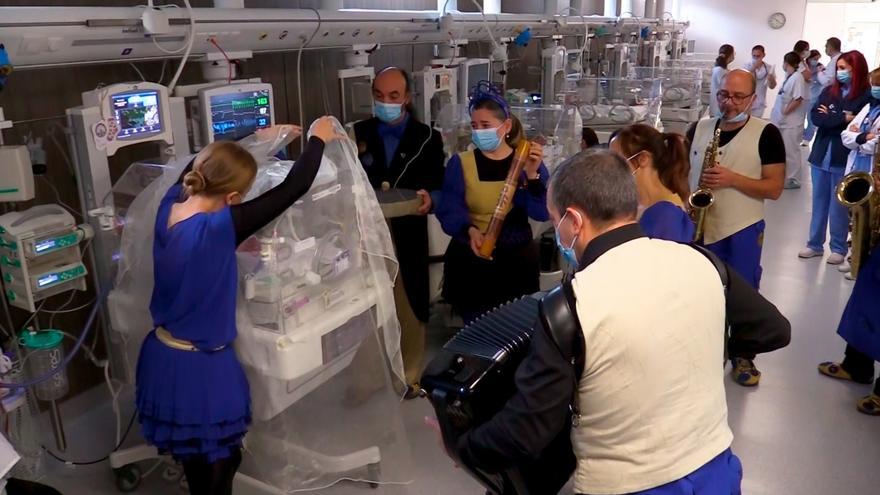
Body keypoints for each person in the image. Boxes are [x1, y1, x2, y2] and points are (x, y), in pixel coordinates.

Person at [435, 150, 791, 495]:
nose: (558, 231)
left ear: (573, 221)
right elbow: (775, 330)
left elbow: (527, 431)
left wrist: (461, 446)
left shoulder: (570, 306)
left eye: (556, 220)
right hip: (715, 471)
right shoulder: (704, 262)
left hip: (628, 484)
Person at [135, 118, 340, 494]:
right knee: (218, 465)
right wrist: (317, 139)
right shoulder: (217, 228)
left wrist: (257, 140)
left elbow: (199, 160)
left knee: (204, 460)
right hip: (200, 368)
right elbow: (294, 187)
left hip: (163, 357)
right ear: (233, 198)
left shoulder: (171, 204)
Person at [686, 69, 785, 386]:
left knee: (744, 293)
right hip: (699, 227)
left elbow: (774, 188)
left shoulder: (767, 134)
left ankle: (744, 354)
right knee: (698, 292)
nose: (729, 102)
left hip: (741, 228)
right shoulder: (699, 128)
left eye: (738, 97)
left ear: (753, 99)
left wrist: (732, 179)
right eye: (724, 95)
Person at [353, 66, 445, 397]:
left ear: (407, 97)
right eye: (379, 96)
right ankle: (366, 379)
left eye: (394, 96)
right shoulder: (358, 134)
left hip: (407, 227)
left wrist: (431, 198)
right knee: (369, 304)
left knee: (409, 302)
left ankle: (409, 375)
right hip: (368, 230)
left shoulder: (427, 138)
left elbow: (438, 183)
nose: (386, 102)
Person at [436, 81, 549, 324]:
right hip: (472, 263)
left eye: (485, 125)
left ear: (506, 126)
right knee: (477, 331)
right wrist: (469, 231)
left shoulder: (525, 161)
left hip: (516, 265)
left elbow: (542, 212)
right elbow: (449, 209)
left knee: (515, 330)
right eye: (474, 126)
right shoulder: (461, 163)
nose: (479, 132)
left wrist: (532, 176)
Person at [798, 51, 871, 267]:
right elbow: (816, 118)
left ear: (856, 70)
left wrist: (834, 117)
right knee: (818, 202)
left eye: (843, 68)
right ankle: (814, 244)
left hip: (843, 158)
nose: (839, 72)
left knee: (839, 205)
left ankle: (838, 247)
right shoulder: (829, 91)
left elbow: (858, 127)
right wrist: (843, 117)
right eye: (838, 68)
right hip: (821, 155)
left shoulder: (866, 96)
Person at [609, 124, 694, 242]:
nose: (610, 169)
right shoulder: (639, 207)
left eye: (617, 160)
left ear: (643, 159)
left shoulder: (665, 215)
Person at [771, 51, 810, 189]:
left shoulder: (797, 78)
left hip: (792, 122)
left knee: (791, 151)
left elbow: (798, 99)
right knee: (783, 150)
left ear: (786, 63)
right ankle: (785, 176)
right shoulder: (790, 77)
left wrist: (785, 112)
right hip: (784, 121)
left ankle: (793, 179)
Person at [842, 67, 880, 175]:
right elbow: (845, 136)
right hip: (856, 165)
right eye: (873, 84)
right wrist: (864, 137)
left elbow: (876, 145)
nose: (874, 88)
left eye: (878, 85)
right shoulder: (868, 107)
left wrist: (857, 139)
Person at [745, 45, 777, 118]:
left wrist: (771, 79)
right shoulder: (747, 66)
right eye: (754, 56)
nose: (756, 58)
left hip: (760, 103)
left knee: (755, 123)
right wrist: (754, 67)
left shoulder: (768, 67)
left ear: (763, 55)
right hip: (747, 101)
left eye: (758, 56)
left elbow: (772, 86)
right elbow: (743, 79)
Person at [803, 50, 826, 145]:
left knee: (811, 120)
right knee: (799, 118)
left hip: (814, 98)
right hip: (803, 97)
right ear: (809, 58)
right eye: (814, 59)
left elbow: (823, 80)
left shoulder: (820, 67)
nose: (816, 61)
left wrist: (819, 71)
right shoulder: (804, 67)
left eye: (817, 59)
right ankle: (800, 135)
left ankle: (807, 139)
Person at [709, 44, 735, 118]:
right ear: (730, 55)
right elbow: (726, 88)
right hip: (718, 108)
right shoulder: (720, 70)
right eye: (734, 53)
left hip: (719, 107)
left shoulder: (721, 69)